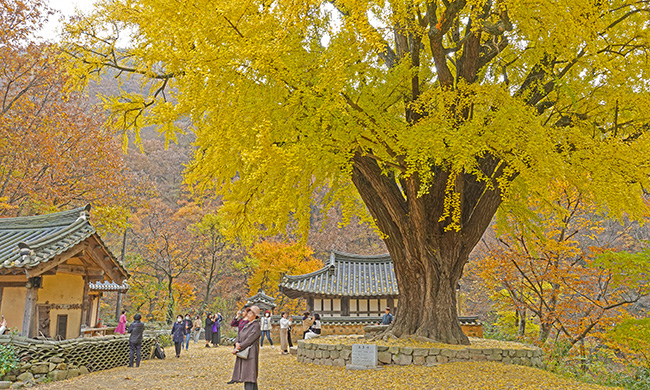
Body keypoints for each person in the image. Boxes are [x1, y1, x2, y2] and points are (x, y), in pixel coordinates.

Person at [229, 305, 261, 389]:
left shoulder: (256, 325)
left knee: (250, 374)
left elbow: (250, 339)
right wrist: (236, 343)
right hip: (244, 351)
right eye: (248, 313)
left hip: (251, 351)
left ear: (255, 315)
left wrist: (240, 345)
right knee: (247, 374)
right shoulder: (248, 324)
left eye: (251, 313)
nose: (248, 315)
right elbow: (240, 334)